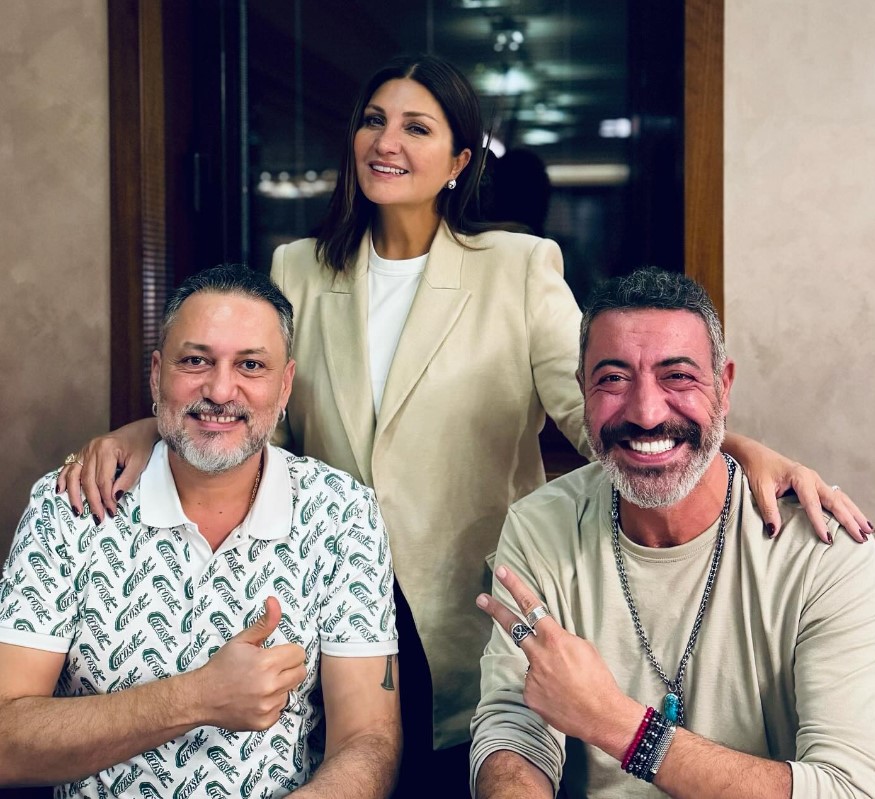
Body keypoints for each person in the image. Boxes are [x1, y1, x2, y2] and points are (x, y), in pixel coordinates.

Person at [56, 55, 868, 796]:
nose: (387, 142)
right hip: (327, 598)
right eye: (373, 120)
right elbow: (253, 418)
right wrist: (144, 432)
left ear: (458, 162)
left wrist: (739, 449)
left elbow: (608, 417)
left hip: (460, 604)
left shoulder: (519, 267)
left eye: (417, 127)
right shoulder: (295, 268)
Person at [471, 267, 875, 798]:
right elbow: (515, 728)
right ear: (582, 390)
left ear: (723, 386)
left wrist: (619, 725)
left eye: (678, 376)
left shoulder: (825, 551)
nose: (645, 413)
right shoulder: (540, 527)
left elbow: (848, 789)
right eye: (612, 379)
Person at [0, 266, 401, 798]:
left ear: (284, 386)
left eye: (251, 365)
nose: (220, 390)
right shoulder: (69, 505)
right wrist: (197, 697)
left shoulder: (341, 512)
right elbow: (6, 741)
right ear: (156, 375)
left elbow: (368, 739)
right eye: (195, 361)